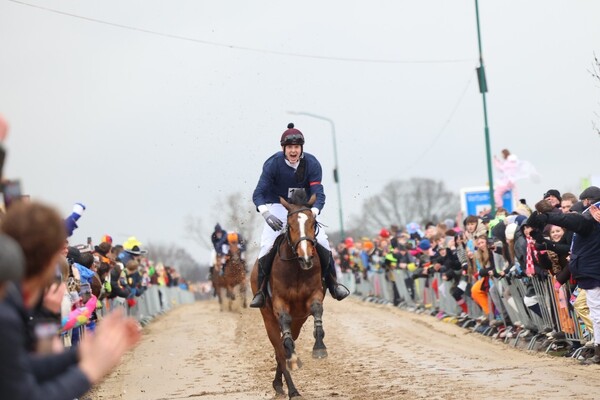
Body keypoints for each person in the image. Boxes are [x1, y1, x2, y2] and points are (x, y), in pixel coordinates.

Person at [0, 200, 141, 399]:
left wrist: (82, 353)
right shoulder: (6, 314)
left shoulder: (12, 300)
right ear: (50, 260)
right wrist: (91, 369)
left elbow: (25, 368)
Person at [250, 123, 349, 308]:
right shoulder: (273, 164)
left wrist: (314, 212)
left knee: (323, 241)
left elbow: (318, 193)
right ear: (283, 149)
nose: (293, 151)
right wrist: (266, 213)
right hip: (278, 205)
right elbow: (258, 194)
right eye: (289, 147)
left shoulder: (311, 163)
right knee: (267, 244)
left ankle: (334, 284)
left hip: (304, 208)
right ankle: (261, 291)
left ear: (301, 148)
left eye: (296, 147)